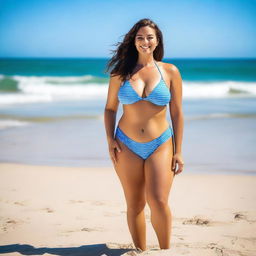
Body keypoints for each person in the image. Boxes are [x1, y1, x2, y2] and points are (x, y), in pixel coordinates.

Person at [104, 18, 184, 252]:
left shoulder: (170, 71)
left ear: (157, 41)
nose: (145, 41)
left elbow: (177, 113)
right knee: (135, 203)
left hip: (161, 143)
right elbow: (110, 109)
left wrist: (178, 150)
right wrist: (110, 139)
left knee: (158, 201)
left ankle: (165, 251)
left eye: (150, 37)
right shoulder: (120, 73)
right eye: (140, 37)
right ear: (134, 41)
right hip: (126, 144)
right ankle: (140, 251)